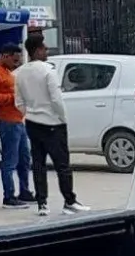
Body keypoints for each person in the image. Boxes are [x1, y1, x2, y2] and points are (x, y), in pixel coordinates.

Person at [15, 33, 89, 217]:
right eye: (45, 48)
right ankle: (69, 201)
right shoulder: (49, 71)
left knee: (38, 165)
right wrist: (62, 118)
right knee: (62, 165)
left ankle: (42, 203)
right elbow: (56, 99)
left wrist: (30, 114)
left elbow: (18, 102)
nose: (47, 51)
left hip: (32, 123)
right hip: (53, 123)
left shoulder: (19, 73)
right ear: (38, 50)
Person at [0, 42, 34, 209]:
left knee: (24, 159)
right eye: (14, 60)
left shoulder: (6, 71)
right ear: (5, 55)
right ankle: (9, 196)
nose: (16, 64)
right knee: (10, 160)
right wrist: (14, 97)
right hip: (6, 121)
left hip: (18, 120)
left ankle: (24, 191)